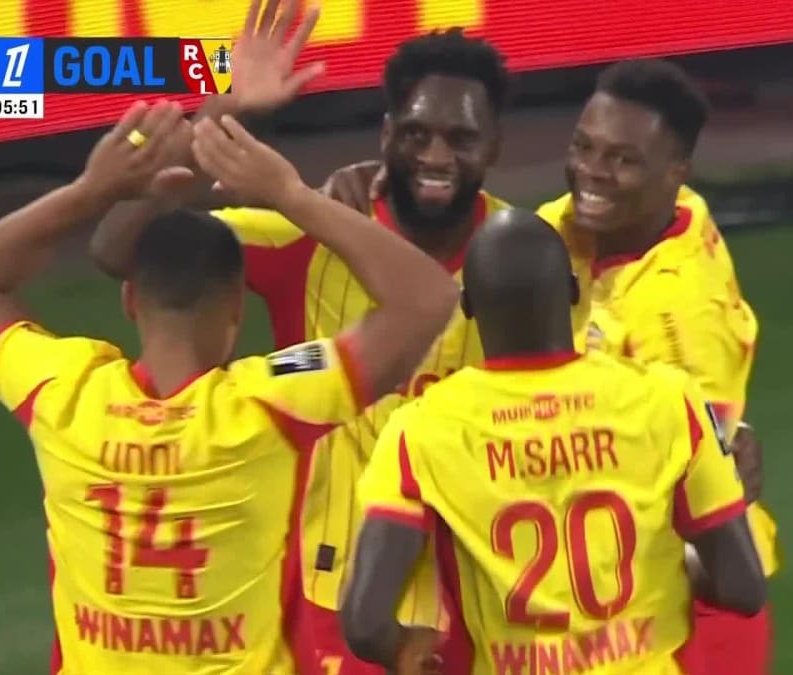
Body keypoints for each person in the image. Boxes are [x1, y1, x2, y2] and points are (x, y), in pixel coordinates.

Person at [87, 6, 540, 671]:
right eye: (415, 133)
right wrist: (225, 111)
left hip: (494, 585)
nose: (435, 156)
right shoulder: (311, 238)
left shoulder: (529, 257)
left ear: (494, 145)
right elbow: (118, 249)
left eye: (460, 137)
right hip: (341, 597)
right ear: (386, 134)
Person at [0, 100, 456, 675]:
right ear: (235, 308)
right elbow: (427, 298)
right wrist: (291, 195)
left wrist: (90, 190)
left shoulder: (65, 390)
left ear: (130, 300)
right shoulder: (269, 403)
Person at [324, 56, 778, 674]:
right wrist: (393, 181)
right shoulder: (606, 222)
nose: (592, 172)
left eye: (622, 160)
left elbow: (708, 514)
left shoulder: (678, 317)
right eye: (585, 147)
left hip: (685, 600)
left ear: (676, 171)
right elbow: (510, 251)